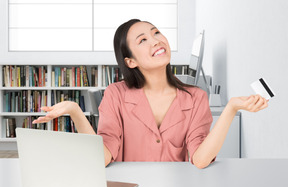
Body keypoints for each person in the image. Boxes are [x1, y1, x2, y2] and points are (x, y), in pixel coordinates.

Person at [32, 19, 268, 169]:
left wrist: (230, 109)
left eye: (156, 33)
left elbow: (200, 159)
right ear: (130, 61)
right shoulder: (115, 94)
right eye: (143, 39)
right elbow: (102, 158)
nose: (156, 41)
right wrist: (75, 111)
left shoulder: (196, 97)